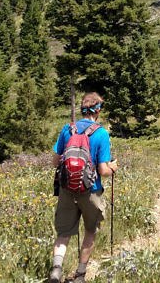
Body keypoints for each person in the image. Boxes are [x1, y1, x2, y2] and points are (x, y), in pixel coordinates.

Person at [49, 92, 117, 283]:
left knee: (63, 234)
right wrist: (113, 168)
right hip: (91, 191)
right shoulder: (101, 133)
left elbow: (55, 161)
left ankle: (56, 270)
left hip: (66, 190)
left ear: (82, 109)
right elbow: (103, 170)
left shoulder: (67, 129)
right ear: (98, 110)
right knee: (90, 231)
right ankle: (79, 276)